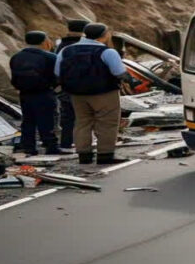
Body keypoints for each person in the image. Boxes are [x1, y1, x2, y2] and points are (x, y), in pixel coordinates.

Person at [56, 22, 129, 165]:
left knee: (82, 123)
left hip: (77, 94)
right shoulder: (108, 52)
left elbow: (57, 73)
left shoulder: (66, 50)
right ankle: (105, 155)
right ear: (104, 35)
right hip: (104, 93)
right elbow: (119, 72)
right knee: (107, 123)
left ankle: (84, 155)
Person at [9, 31, 59, 156]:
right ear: (44, 42)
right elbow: (57, 76)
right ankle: (50, 146)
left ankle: (29, 147)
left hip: (24, 93)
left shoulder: (16, 57)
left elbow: (14, 77)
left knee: (28, 121)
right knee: (47, 120)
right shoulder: (50, 57)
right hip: (44, 92)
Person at [53, 19, 89, 150]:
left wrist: (58, 86)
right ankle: (83, 143)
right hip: (86, 87)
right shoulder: (86, 46)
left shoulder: (61, 46)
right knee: (85, 117)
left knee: (68, 117)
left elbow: (56, 69)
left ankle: (66, 143)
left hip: (66, 88)